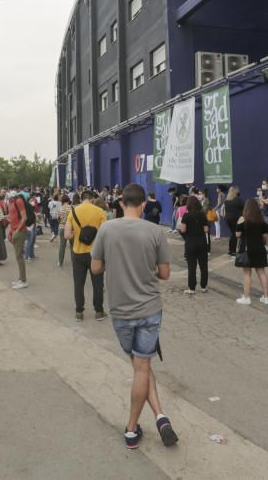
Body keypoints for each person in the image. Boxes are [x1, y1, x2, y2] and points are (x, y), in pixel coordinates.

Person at [89, 184, 178, 451]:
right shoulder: (155, 231)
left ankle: (141, 425)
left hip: (121, 310)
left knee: (140, 367)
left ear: (120, 203)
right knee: (143, 367)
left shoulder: (107, 229)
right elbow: (164, 274)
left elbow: (95, 268)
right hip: (150, 309)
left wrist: (113, 261)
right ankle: (149, 422)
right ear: (142, 205)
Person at [65, 190, 107, 322]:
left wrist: (77, 236)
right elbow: (105, 234)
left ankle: (79, 312)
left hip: (78, 253)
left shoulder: (73, 212)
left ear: (82, 199)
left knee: (79, 283)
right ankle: (99, 312)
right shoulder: (100, 212)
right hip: (96, 254)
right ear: (92, 199)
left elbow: (67, 235)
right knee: (98, 284)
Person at [235, 198, 268, 305]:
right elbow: (265, 236)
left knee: (247, 274)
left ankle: (246, 297)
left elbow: (238, 235)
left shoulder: (243, 219)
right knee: (261, 272)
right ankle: (266, 297)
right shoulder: (262, 220)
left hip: (247, 249)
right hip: (259, 249)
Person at [178, 197, 210, 294]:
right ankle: (203, 287)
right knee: (204, 266)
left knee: (191, 266)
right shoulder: (202, 215)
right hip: (202, 242)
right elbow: (206, 230)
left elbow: (183, 230)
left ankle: (191, 288)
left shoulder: (186, 216)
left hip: (190, 242)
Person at [7, 191, 29, 289]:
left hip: (19, 231)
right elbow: (13, 217)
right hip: (15, 230)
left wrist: (17, 230)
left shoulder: (18, 201)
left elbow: (24, 217)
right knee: (18, 256)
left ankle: (23, 280)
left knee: (19, 256)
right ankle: (21, 279)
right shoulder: (12, 202)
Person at [223, 186, 244, 256]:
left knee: (233, 234)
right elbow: (244, 208)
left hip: (228, 219)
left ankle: (230, 250)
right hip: (236, 219)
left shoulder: (227, 201)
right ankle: (233, 251)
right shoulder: (238, 200)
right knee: (235, 234)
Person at [56, 194, 73, 267]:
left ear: (62, 201)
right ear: (68, 200)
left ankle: (60, 262)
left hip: (62, 227)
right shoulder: (71, 208)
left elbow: (58, 218)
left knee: (62, 245)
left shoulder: (60, 208)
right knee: (72, 245)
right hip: (70, 228)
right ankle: (74, 261)